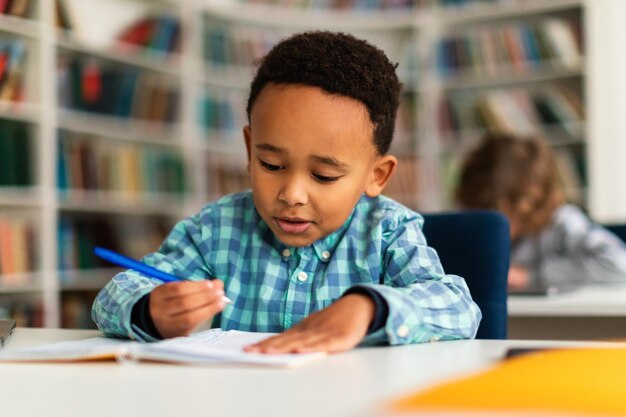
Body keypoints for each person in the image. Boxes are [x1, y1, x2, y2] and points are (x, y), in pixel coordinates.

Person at [92, 31, 481, 353]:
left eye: (325, 175)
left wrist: (370, 308)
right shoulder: (216, 229)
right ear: (249, 150)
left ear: (377, 176)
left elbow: (459, 308)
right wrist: (149, 310)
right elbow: (116, 294)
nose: (292, 194)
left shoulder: (388, 231)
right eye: (272, 166)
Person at [455, 132, 626, 290]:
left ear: (526, 204)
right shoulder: (473, 233)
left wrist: (530, 277)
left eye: (502, 214)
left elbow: (619, 265)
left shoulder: (562, 224)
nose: (489, 230)